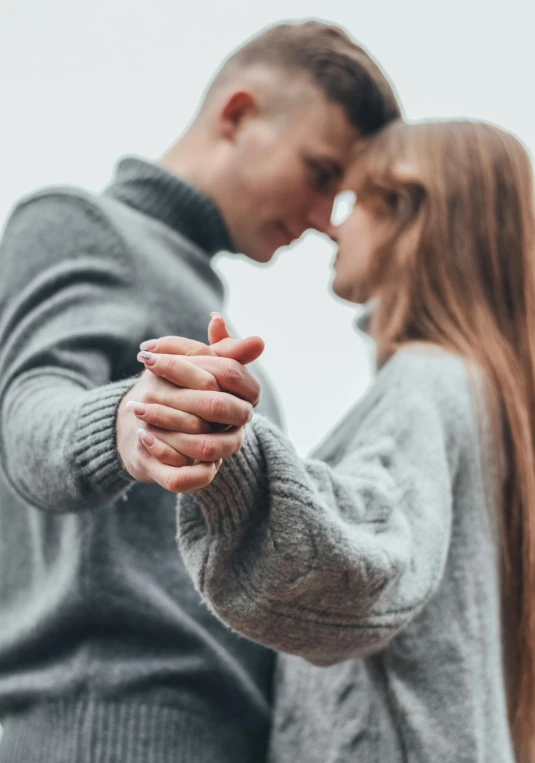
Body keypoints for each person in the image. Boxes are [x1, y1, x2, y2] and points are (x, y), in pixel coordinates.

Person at [0, 20, 400, 763]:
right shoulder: (77, 223)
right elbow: (25, 417)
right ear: (238, 114)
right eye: (319, 174)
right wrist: (127, 421)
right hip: (110, 731)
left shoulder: (194, 296)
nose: (321, 222)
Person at [135, 119, 535, 762]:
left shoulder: (428, 380)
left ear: (412, 220)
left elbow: (363, 561)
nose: (332, 226)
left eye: (356, 204)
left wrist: (230, 445)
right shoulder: (485, 392)